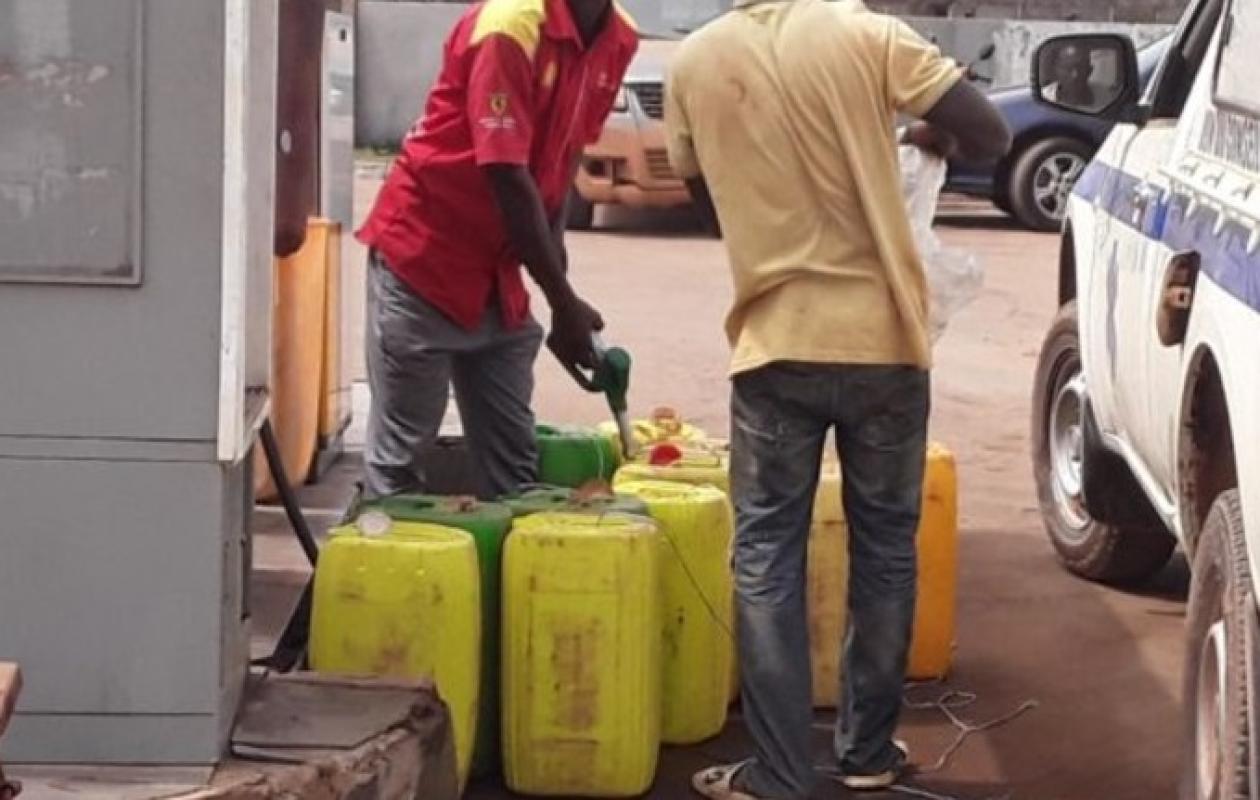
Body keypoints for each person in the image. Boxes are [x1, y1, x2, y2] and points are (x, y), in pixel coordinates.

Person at [664, 1, 1010, 796]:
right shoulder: (871, 36)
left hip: (775, 345)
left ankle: (779, 773)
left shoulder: (694, 62)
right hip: (886, 345)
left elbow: (706, 205)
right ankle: (865, 756)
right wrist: (925, 135)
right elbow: (992, 133)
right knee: (885, 550)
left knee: (766, 558)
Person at [356, 0, 638, 500]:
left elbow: (560, 160)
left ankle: (512, 574)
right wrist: (562, 301)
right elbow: (506, 173)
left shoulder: (618, 38)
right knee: (400, 465)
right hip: (426, 261)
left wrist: (561, 294)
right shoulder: (508, 27)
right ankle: (385, 572)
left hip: (499, 279)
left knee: (514, 465)